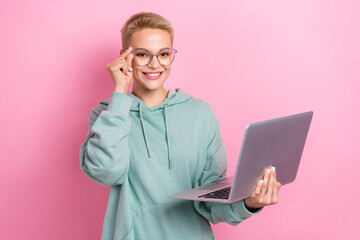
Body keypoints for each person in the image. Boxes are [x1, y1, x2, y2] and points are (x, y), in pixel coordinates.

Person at [79, 12, 281, 240]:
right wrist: (119, 93)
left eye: (164, 54)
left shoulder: (200, 113)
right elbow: (106, 172)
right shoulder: (108, 114)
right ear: (125, 57)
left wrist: (249, 202)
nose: (155, 64)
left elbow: (209, 200)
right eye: (143, 54)